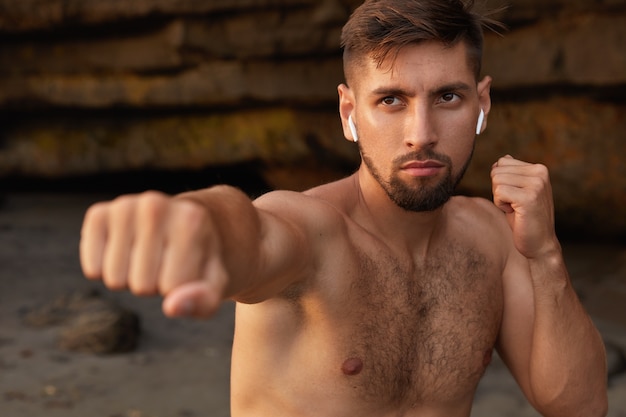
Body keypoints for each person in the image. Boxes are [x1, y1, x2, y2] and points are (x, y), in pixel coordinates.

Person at [79, 0, 608, 416]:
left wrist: (545, 256)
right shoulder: (312, 232)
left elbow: (579, 406)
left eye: (447, 97)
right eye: (391, 101)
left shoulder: (494, 240)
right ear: (348, 112)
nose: (420, 135)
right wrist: (195, 222)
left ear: (481, 104)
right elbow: (251, 231)